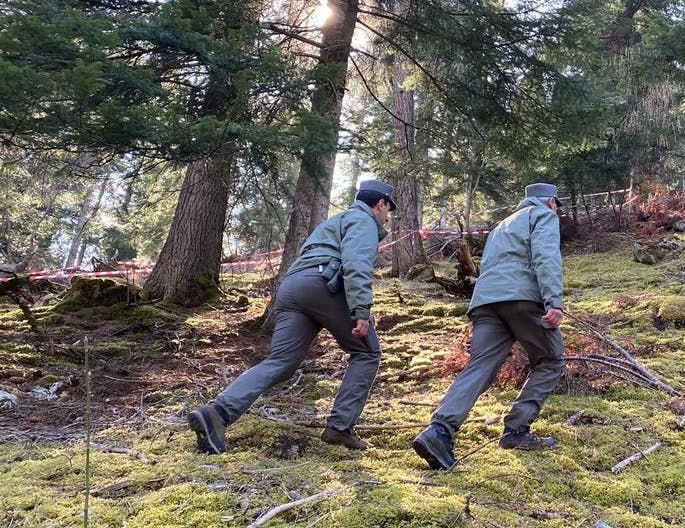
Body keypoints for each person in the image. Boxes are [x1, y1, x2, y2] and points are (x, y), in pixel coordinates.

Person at [187, 179, 396, 454]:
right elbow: (356, 264)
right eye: (388, 210)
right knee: (367, 352)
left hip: (292, 288)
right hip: (324, 285)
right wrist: (361, 311)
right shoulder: (363, 221)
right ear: (380, 203)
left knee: (281, 362)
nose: (386, 217)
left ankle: (217, 414)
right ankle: (339, 428)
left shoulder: (335, 221)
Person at [412, 183, 565, 470]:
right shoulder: (543, 216)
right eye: (556, 205)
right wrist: (554, 301)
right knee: (551, 360)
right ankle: (516, 431)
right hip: (522, 298)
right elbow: (546, 257)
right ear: (551, 202)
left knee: (480, 366)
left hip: (486, 302)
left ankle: (439, 431)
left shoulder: (501, 226)